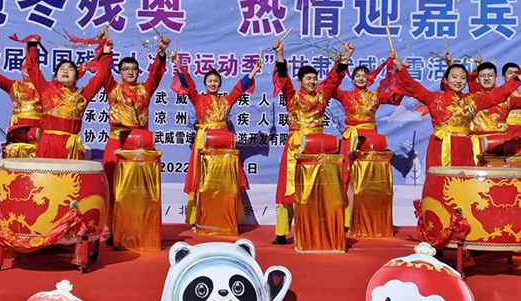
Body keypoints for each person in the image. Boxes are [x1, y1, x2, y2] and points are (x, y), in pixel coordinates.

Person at [272, 39, 353, 245]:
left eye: (314, 78)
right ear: (300, 81)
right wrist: (280, 54)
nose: (312, 81)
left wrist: (347, 56)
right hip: (296, 148)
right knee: (289, 190)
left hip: (318, 148)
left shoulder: (322, 96)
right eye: (308, 78)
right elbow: (283, 78)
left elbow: (333, 79)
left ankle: (316, 229)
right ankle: (281, 232)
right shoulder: (292, 96)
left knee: (317, 189)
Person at [170, 53, 261, 229]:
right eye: (210, 81)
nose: (213, 83)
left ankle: (224, 218)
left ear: (220, 84)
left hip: (223, 147)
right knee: (202, 181)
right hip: (203, 144)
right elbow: (188, 84)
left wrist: (254, 71)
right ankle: (199, 219)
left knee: (223, 181)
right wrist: (179, 66)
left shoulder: (226, 101)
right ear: (205, 84)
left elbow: (238, 88)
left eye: (216, 81)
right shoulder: (198, 98)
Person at [392, 52, 521, 169]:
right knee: (440, 181)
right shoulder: (435, 98)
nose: (458, 81)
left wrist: (517, 79)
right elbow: (414, 88)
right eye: (454, 77)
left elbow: (497, 95)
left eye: (462, 78)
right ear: (446, 80)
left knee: (465, 179)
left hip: (464, 146)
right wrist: (400, 68)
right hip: (441, 145)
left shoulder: (472, 101)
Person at [101, 35, 170, 241]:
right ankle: (114, 230)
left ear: (138, 72)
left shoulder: (144, 90)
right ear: (120, 72)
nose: (130, 72)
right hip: (117, 143)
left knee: (138, 189)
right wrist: (106, 51)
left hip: (139, 144)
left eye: (133, 69)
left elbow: (156, 74)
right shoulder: (113, 88)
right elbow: (103, 73)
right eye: (126, 69)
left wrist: (161, 53)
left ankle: (138, 229)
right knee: (114, 188)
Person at [24, 37, 113, 159]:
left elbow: (101, 76)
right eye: (62, 68)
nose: (65, 71)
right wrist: (33, 45)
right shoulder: (46, 89)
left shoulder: (82, 95)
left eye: (70, 69)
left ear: (76, 77)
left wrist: (106, 53)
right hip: (48, 144)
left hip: (71, 147)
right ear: (56, 74)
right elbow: (32, 69)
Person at [333, 52, 402, 191]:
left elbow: (395, 97)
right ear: (353, 79)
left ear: (369, 79)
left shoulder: (375, 96)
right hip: (351, 136)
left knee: (368, 168)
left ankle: (368, 198)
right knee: (348, 168)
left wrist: (400, 73)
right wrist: (340, 65)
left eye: (364, 76)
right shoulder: (345, 95)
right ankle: (346, 200)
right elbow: (331, 87)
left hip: (369, 136)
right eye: (357, 76)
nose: (361, 78)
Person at [0, 58, 42, 156]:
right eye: (26, 66)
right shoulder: (14, 86)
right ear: (21, 69)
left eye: (32, 66)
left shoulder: (46, 88)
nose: (28, 69)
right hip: (18, 129)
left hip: (38, 130)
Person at [465, 61, 521, 162]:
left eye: (490, 75)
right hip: (477, 145)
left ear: (496, 78)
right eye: (483, 76)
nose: (486, 78)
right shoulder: (471, 99)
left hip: (500, 145)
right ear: (477, 79)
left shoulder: (508, 99)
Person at [502, 62, 521, 136]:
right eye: (510, 73)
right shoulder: (498, 94)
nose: (513, 75)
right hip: (506, 131)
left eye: (516, 73)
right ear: (503, 77)